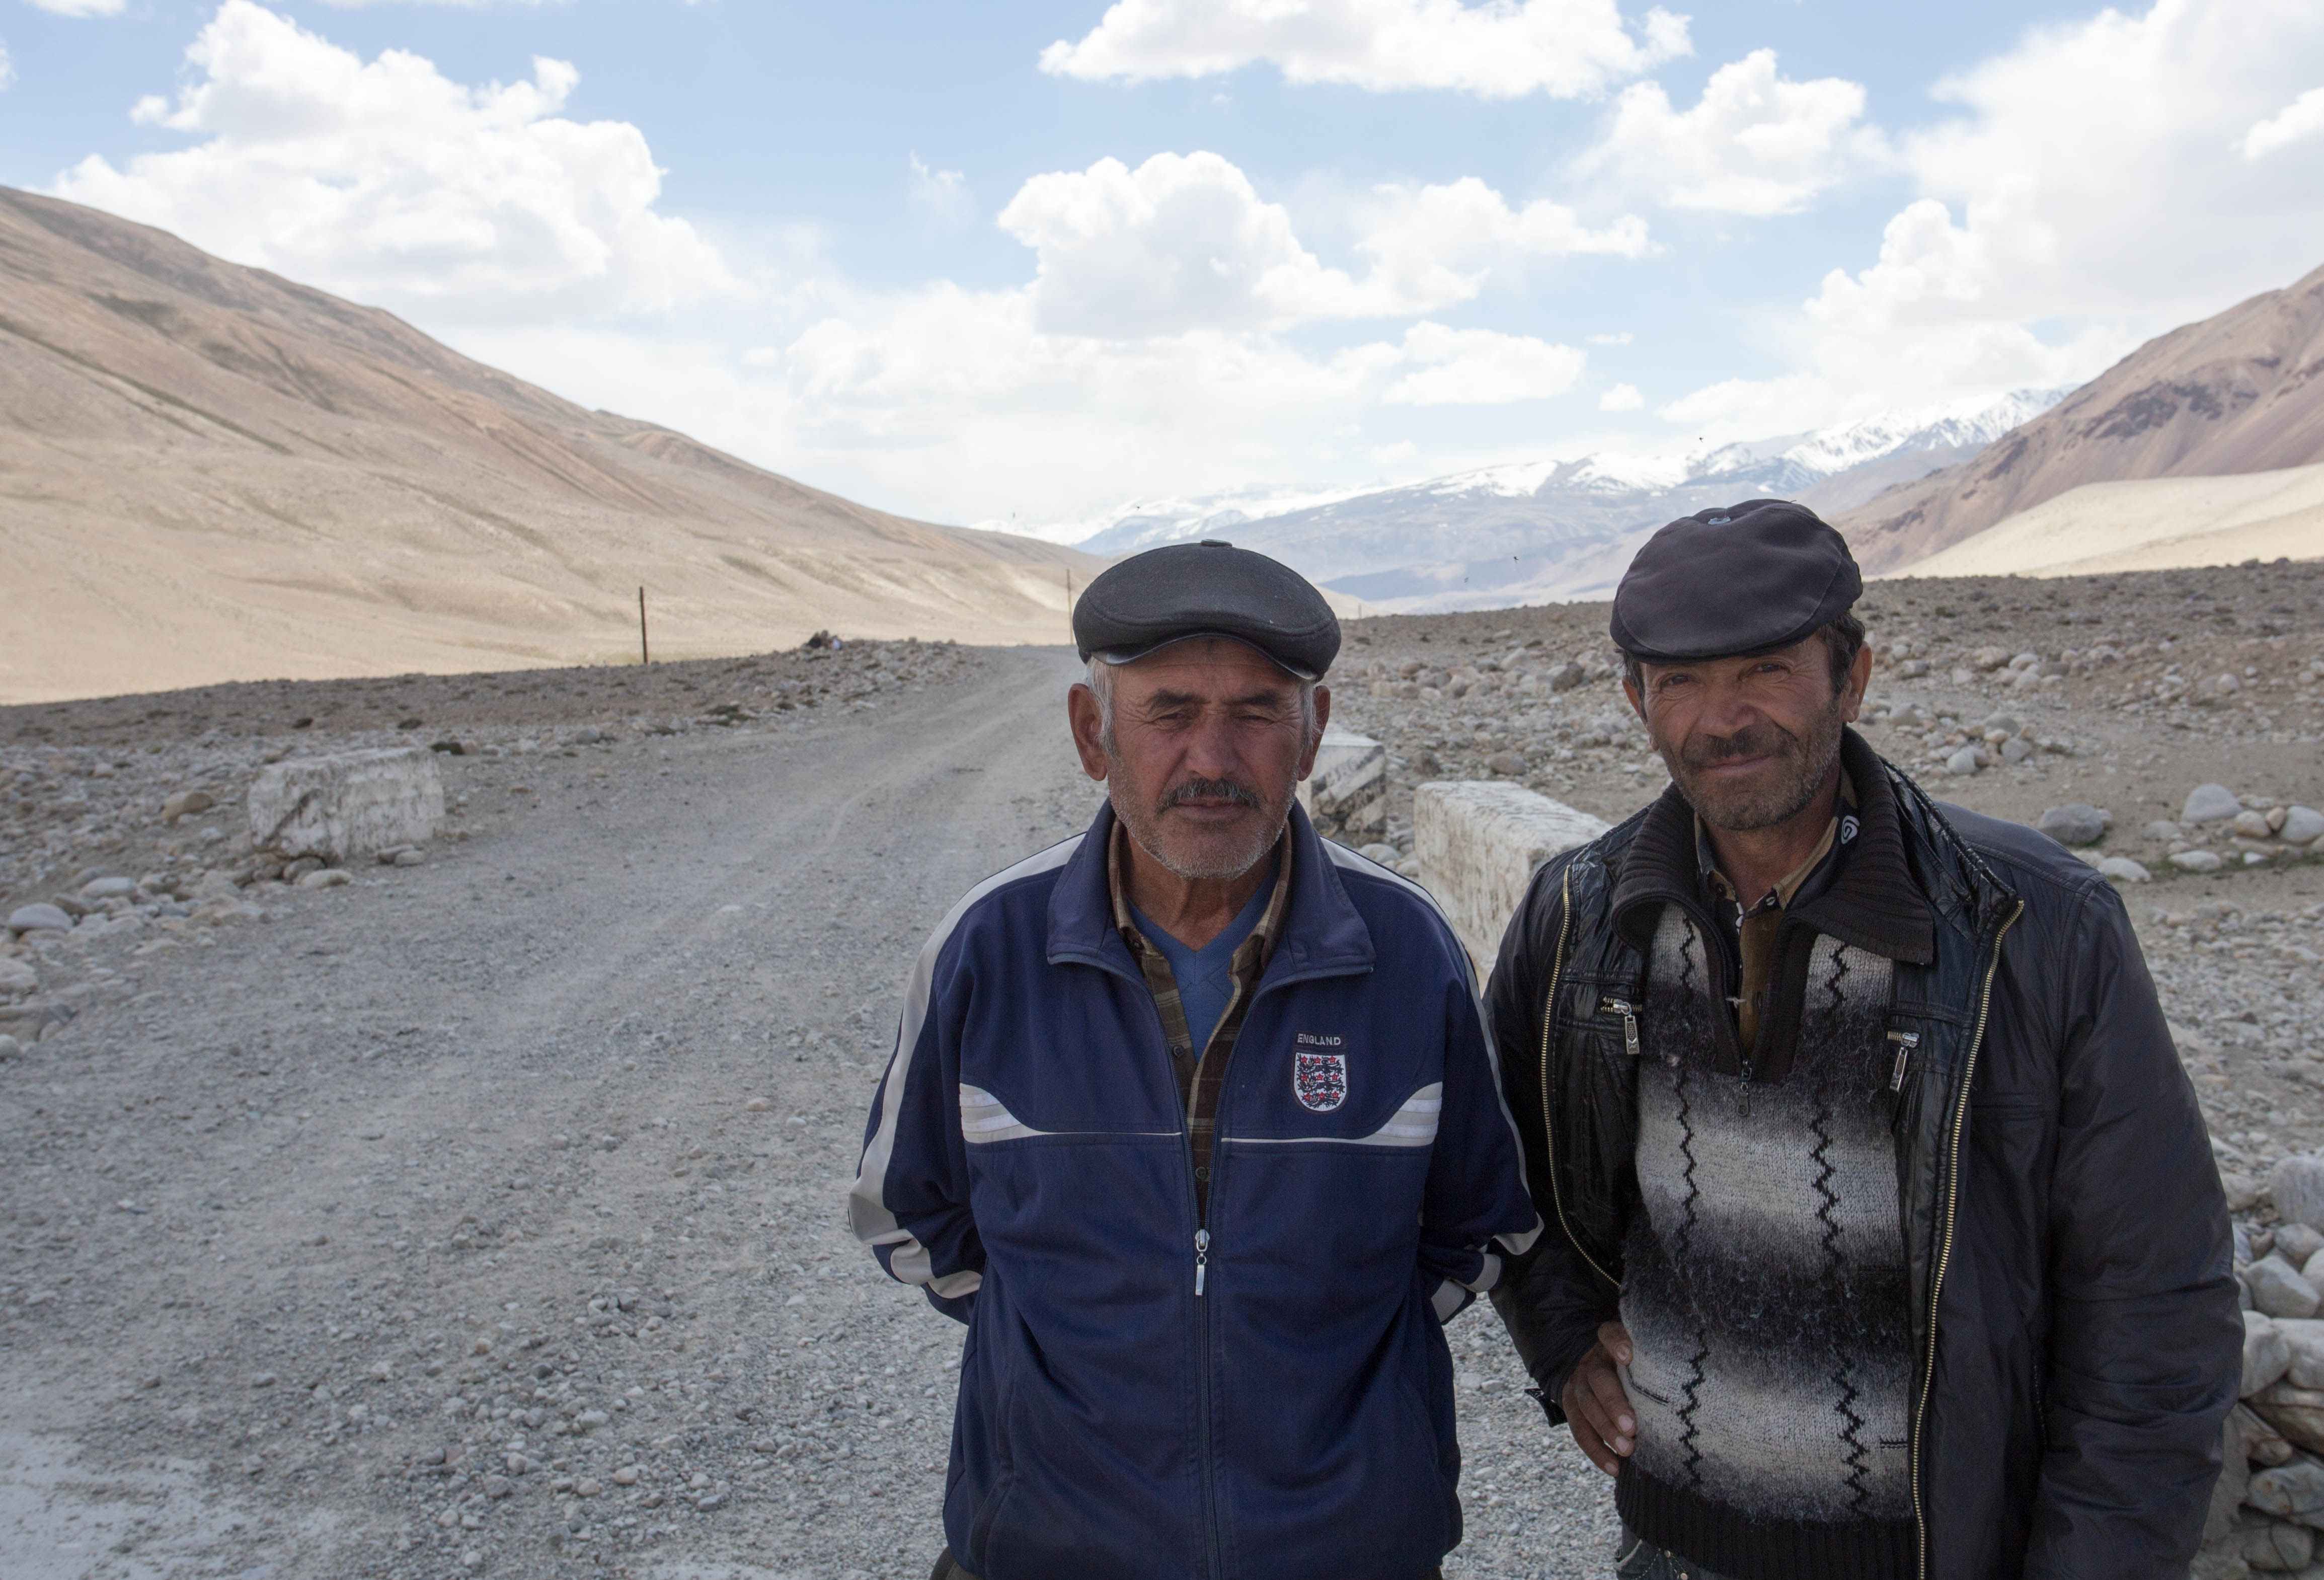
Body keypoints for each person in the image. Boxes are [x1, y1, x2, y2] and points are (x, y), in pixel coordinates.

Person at [1483, 500, 2241, 1580]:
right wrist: (1560, 1340)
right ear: (1632, 700)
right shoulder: (1579, 917)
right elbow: (1497, 1165)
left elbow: (2155, 1306)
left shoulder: (2030, 927)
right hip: (1667, 1551)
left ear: (1853, 675)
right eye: (1679, 681)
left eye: (1764, 670)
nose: (1721, 718)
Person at [848, 541, 1541, 1580]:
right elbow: (909, 1216)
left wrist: (1337, 1365)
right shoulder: (987, 949)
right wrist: (1065, 1357)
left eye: (1257, 713)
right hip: (1049, 1551)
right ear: (1093, 735)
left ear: (1310, 736)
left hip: (1344, 1553)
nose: (1212, 760)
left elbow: (1477, 1225)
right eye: (1168, 713)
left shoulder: (1407, 952)